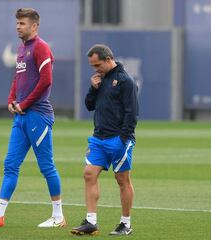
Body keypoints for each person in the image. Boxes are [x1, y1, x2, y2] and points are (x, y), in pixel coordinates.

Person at [0, 8, 66, 228]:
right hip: (22, 117)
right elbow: (18, 77)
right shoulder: (22, 48)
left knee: (46, 166)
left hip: (38, 116)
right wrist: (12, 99)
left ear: (34, 26)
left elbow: (46, 81)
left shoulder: (41, 47)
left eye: (22, 23)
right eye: (17, 23)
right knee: (10, 164)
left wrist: (25, 103)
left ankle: (58, 216)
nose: (18, 27)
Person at [70, 44, 139, 236]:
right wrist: (93, 88)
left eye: (97, 65)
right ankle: (91, 222)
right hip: (98, 138)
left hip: (119, 139)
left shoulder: (126, 81)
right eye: (92, 66)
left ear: (109, 59)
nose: (95, 69)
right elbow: (89, 105)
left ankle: (125, 224)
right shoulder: (100, 79)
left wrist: (123, 139)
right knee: (89, 174)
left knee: (122, 179)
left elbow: (132, 113)